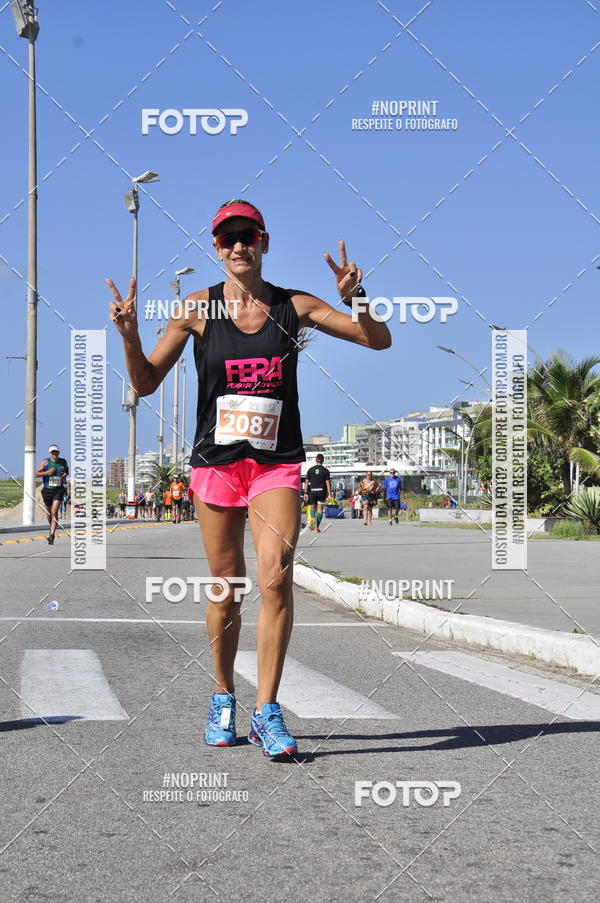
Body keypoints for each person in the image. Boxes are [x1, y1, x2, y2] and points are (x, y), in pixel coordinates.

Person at [107, 197, 391, 758]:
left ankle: (266, 709)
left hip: (276, 464)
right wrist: (129, 335)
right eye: (228, 238)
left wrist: (356, 297)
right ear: (217, 249)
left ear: (264, 243)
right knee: (226, 587)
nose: (239, 245)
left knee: (276, 578)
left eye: (249, 236)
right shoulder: (196, 309)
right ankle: (221, 696)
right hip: (216, 464)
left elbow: (376, 340)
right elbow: (144, 384)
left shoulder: (295, 306)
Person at [35, 444, 69, 544]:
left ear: (59, 452)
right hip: (47, 490)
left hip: (58, 489)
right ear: (50, 453)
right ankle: (51, 528)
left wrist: (64, 475)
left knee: (54, 511)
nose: (55, 454)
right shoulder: (46, 462)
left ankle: (52, 534)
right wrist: (47, 473)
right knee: (49, 513)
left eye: (56, 452)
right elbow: (36, 474)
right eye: (53, 452)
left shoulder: (63, 462)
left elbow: (66, 471)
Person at [303, 454, 331, 533]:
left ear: (316, 460)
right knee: (320, 510)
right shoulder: (325, 471)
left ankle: (312, 518)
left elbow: (307, 481)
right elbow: (328, 482)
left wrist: (305, 492)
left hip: (312, 491)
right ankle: (316, 527)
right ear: (323, 460)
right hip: (322, 492)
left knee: (312, 507)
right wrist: (329, 494)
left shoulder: (310, 470)